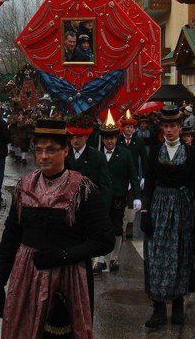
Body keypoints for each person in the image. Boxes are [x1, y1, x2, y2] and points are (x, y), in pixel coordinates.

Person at [0, 118, 114, 339]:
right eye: (38, 150)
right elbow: (11, 237)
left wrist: (64, 255)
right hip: (26, 279)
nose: (43, 156)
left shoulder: (82, 189)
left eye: (51, 150)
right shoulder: (24, 187)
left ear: (65, 151)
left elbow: (104, 240)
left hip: (69, 280)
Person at [141, 104, 195, 328]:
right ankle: (158, 308)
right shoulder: (155, 151)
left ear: (179, 127)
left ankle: (178, 305)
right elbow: (149, 181)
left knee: (180, 255)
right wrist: (145, 211)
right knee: (156, 255)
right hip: (159, 205)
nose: (169, 130)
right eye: (166, 126)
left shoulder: (191, 152)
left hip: (182, 207)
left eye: (173, 126)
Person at [94, 112, 140, 273]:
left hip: (119, 197)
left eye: (112, 138)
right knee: (100, 227)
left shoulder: (125, 154)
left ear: (116, 138)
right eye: (107, 138)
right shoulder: (96, 155)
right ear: (103, 139)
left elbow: (133, 175)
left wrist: (137, 196)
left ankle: (114, 258)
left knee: (116, 228)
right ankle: (100, 260)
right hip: (100, 198)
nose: (109, 141)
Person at [65, 118, 112, 208]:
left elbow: (105, 187)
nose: (75, 140)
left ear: (87, 136)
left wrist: (103, 209)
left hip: (90, 207)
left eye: (79, 137)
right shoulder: (64, 156)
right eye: (72, 137)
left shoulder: (98, 157)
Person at [117, 110, 147, 239]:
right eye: (127, 127)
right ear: (123, 128)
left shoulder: (138, 140)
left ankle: (130, 224)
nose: (129, 129)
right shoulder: (118, 140)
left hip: (133, 176)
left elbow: (144, 158)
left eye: (131, 127)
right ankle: (119, 224)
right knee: (119, 202)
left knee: (131, 202)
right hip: (120, 175)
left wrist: (144, 176)